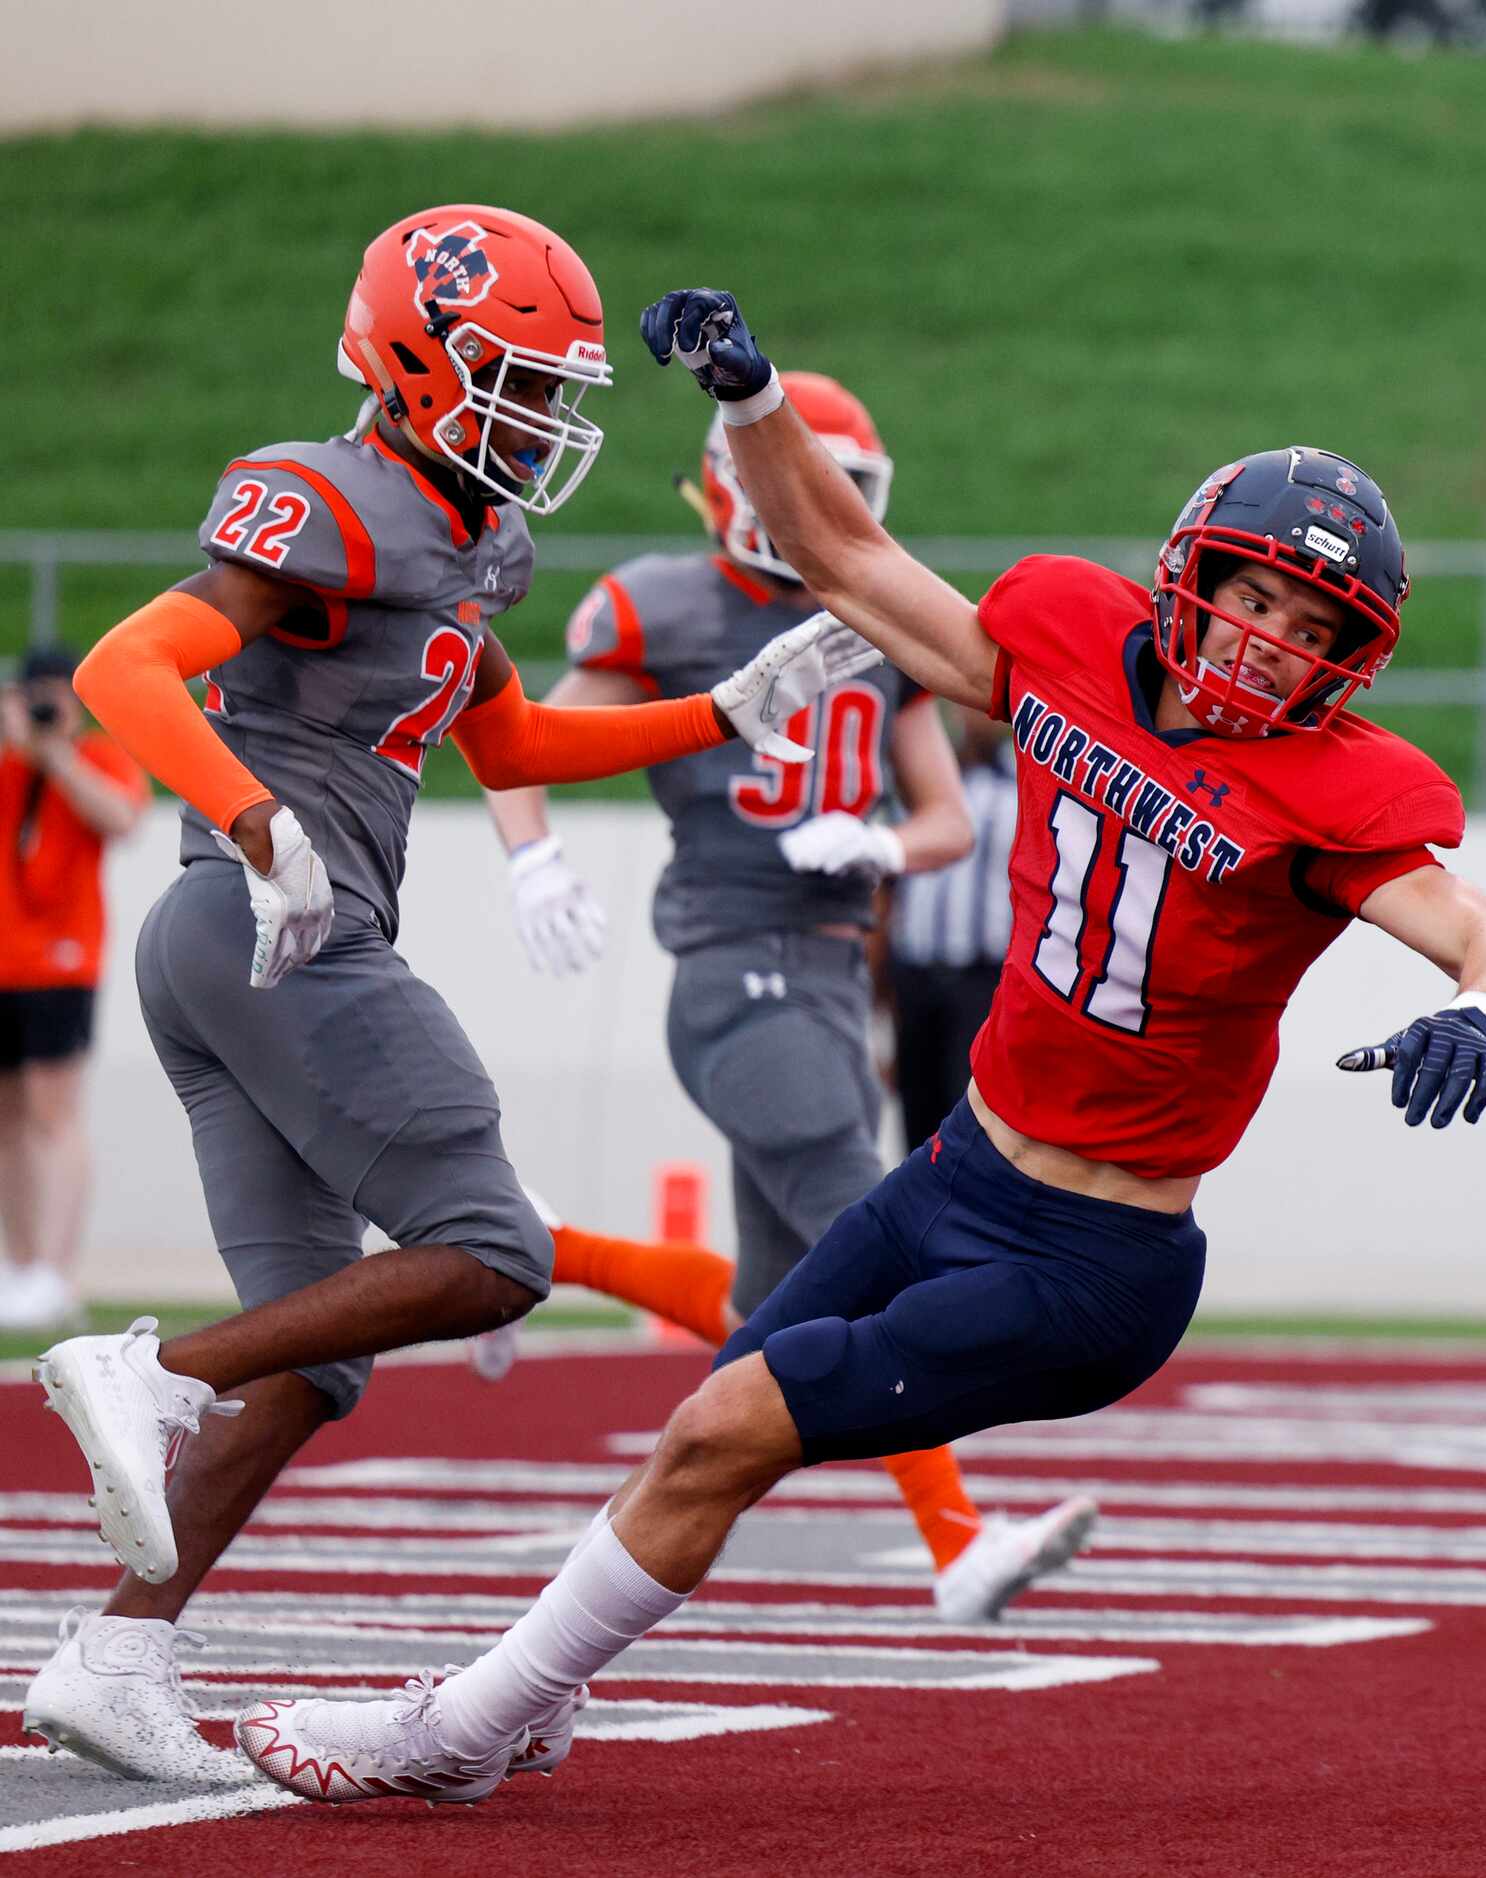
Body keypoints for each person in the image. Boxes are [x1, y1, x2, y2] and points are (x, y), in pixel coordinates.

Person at [227, 287, 1486, 1806]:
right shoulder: (1067, 636)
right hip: (955, 1168)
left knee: (730, 1421)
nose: (1270, 644)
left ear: (1351, 662)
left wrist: (1477, 1013)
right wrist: (753, 403)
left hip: (1094, 1260)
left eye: (1314, 629)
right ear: (1194, 574)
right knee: (706, 1422)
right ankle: (531, 1703)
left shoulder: (1335, 794)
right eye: (1258, 597)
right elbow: (844, 559)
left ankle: (458, 1728)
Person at [23, 211, 865, 1786]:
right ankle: (152, 1375)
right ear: (419, 361)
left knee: (315, 1357)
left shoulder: (474, 536)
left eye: (558, 389)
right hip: (272, 927)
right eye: (519, 382)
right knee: (494, 1250)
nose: (545, 419)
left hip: (241, 946)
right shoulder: (330, 495)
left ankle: (116, 1652)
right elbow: (131, 671)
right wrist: (261, 821)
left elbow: (516, 742)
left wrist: (721, 709)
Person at [481, 373, 1099, 1621]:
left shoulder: (873, 614)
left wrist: (878, 850)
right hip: (730, 963)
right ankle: (955, 1539)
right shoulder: (666, 600)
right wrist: (530, 854)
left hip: (826, 969)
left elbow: (938, 819)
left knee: (771, 1310)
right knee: (860, 1227)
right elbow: (525, 737)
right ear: (729, 473)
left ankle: (523, 1251)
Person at [0, 645, 151, 1331]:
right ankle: (20, 1265)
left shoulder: (94, 756)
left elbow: (122, 819)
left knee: (52, 1115)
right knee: (7, 1121)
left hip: (60, 964)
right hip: (5, 963)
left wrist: (57, 754)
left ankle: (54, 1275)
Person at [883, 715, 1019, 1150]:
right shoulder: (922, 783)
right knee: (916, 1129)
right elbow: (890, 894)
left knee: (972, 1128)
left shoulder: (1022, 783)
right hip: (916, 978)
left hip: (981, 984)